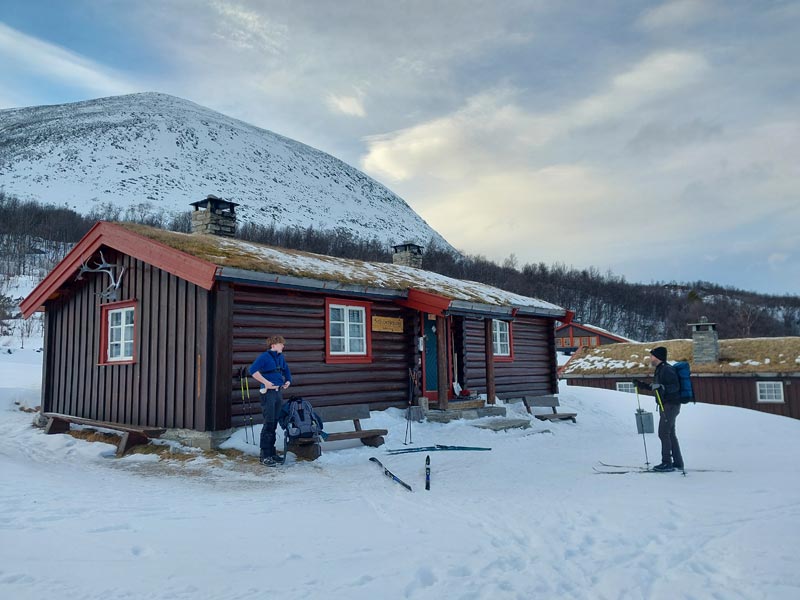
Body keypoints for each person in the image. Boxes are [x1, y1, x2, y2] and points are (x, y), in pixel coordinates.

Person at [634, 346, 683, 472]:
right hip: (666, 405)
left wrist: (662, 389)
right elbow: (656, 386)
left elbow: (674, 387)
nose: (650, 358)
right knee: (670, 434)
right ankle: (677, 462)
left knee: (663, 433)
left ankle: (667, 463)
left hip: (670, 405)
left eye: (652, 356)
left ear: (658, 357)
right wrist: (641, 385)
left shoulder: (667, 369)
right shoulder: (660, 369)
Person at [249, 335, 292, 466]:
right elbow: (253, 371)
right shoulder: (264, 357)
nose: (283, 346)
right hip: (268, 393)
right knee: (269, 423)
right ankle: (265, 456)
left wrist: (288, 381)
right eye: (281, 344)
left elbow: (286, 370)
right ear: (273, 345)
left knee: (274, 423)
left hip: (278, 392)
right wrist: (266, 382)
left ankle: (272, 453)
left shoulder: (280, 357)